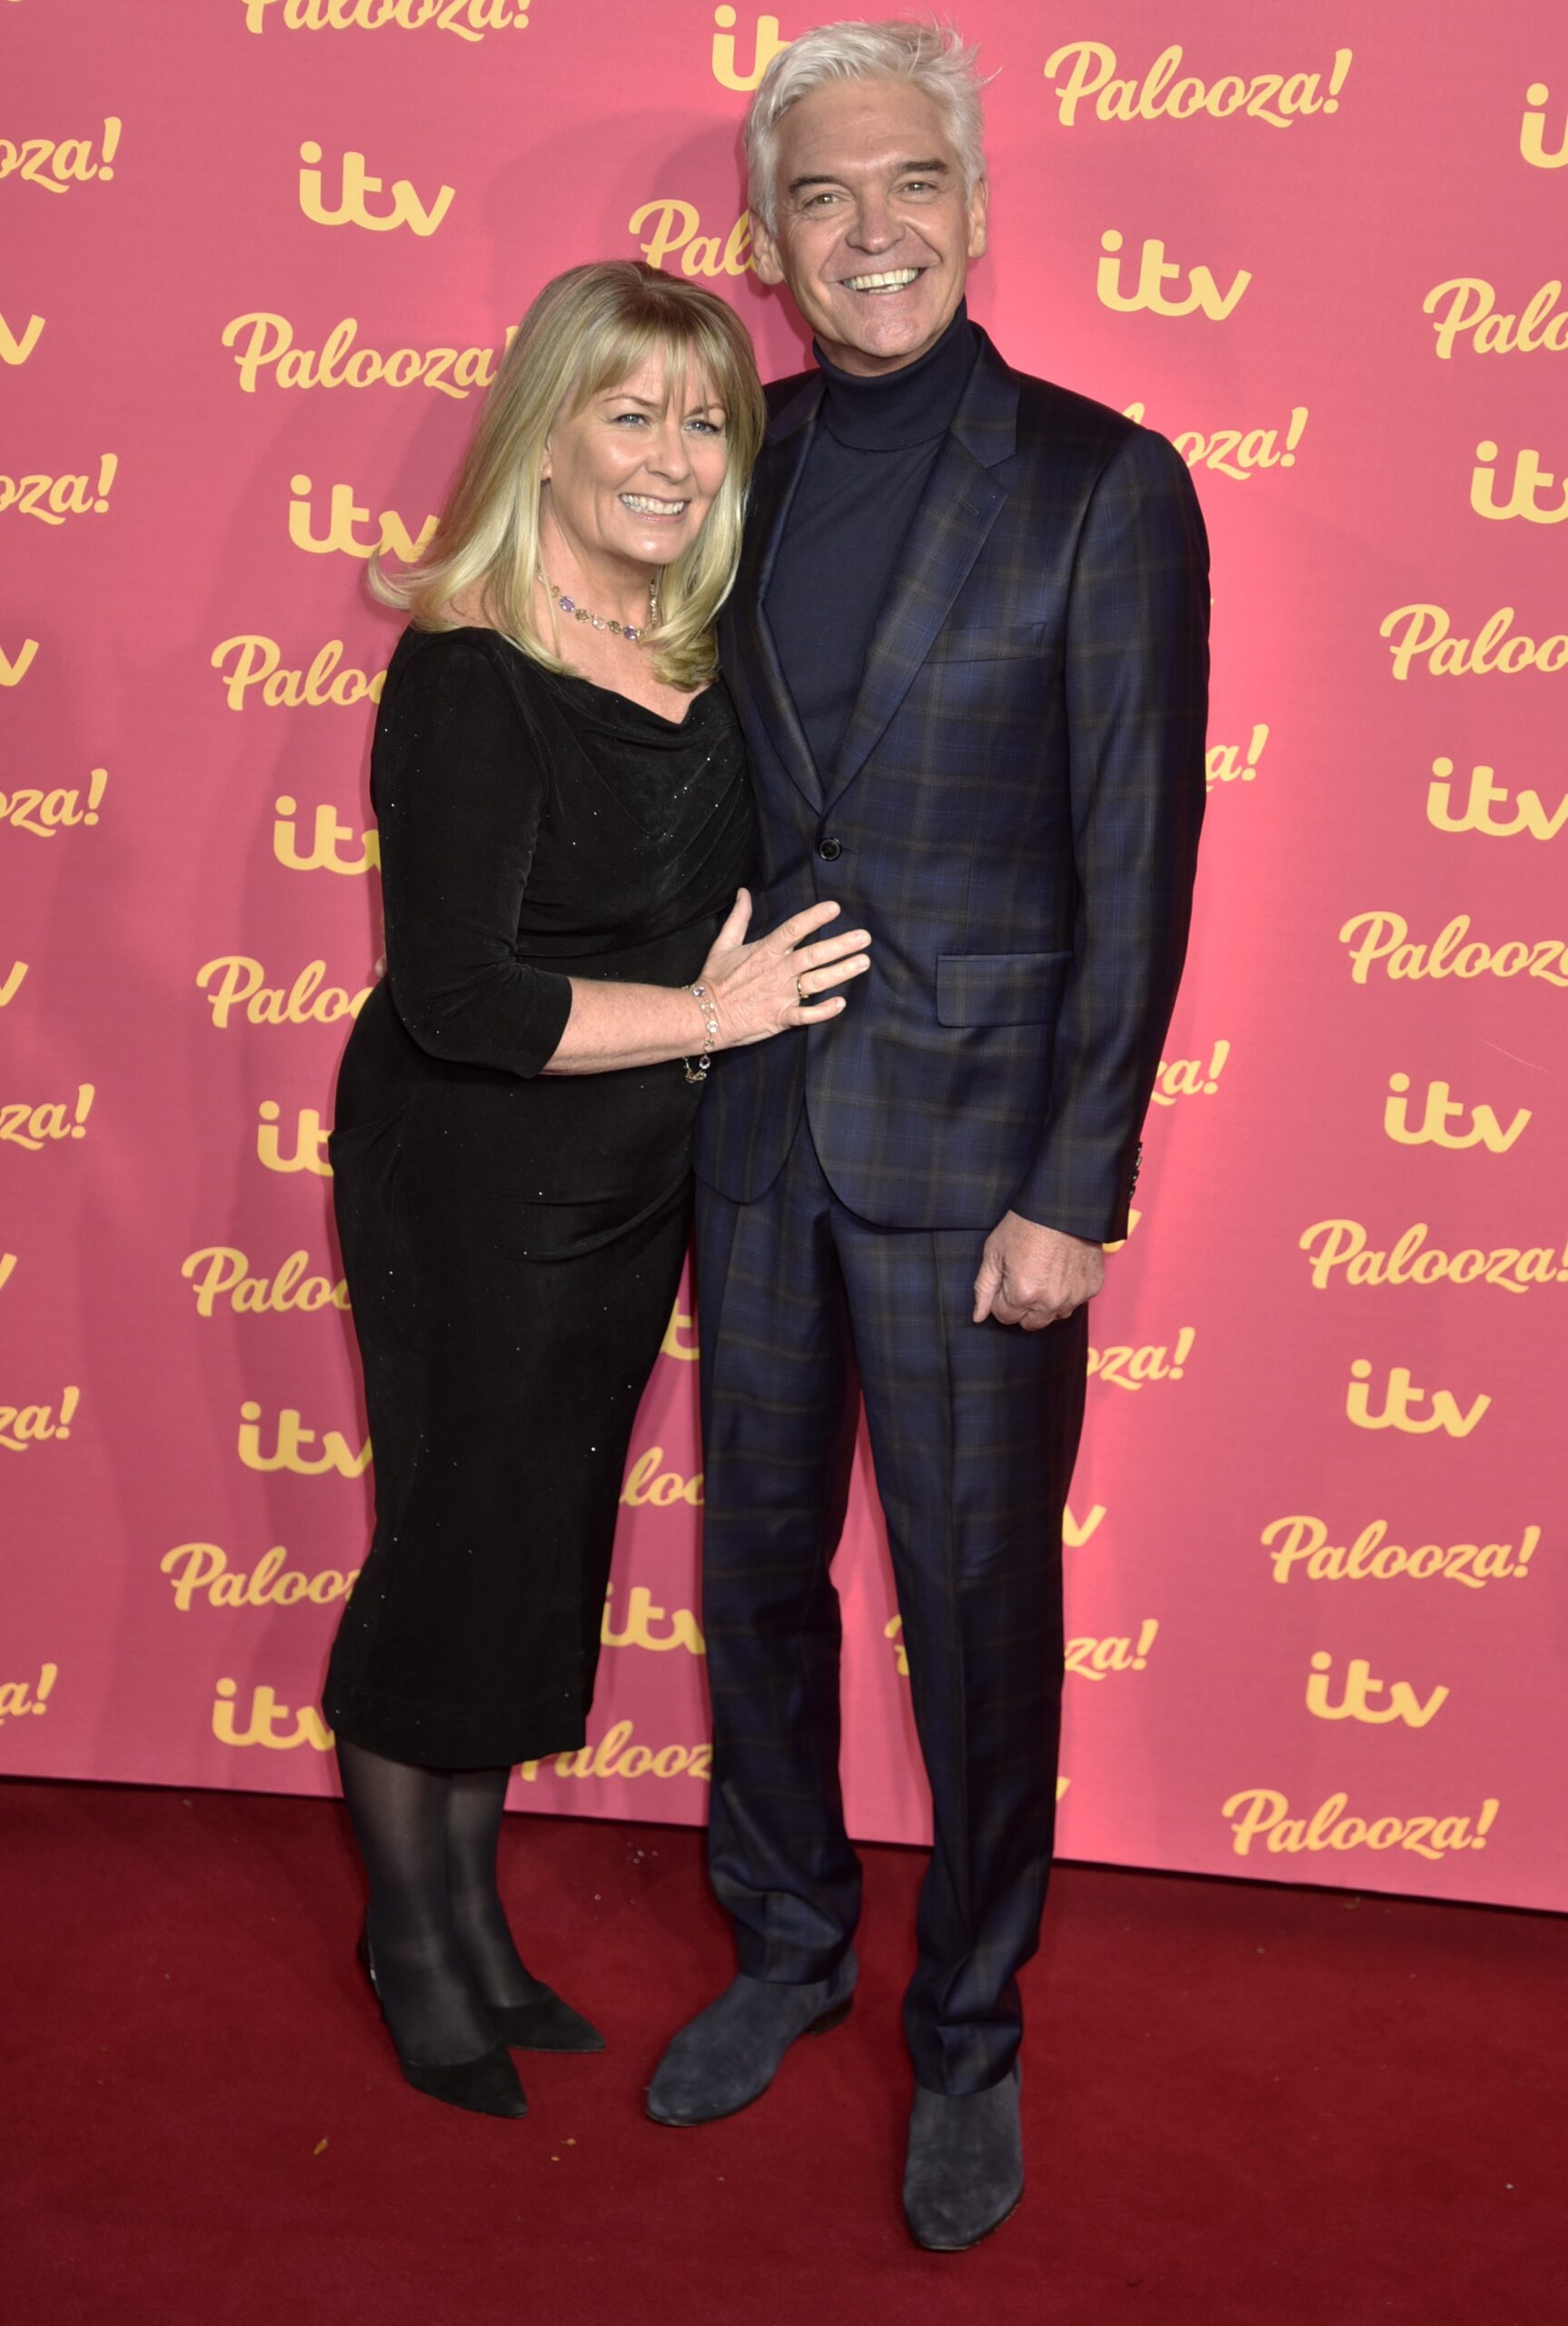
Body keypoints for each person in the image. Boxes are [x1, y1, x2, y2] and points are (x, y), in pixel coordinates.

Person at [646, 24, 1209, 2250]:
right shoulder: (721, 457)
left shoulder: (1100, 482)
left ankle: (965, 2025)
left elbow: (1129, 857)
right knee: (751, 1580)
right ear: (764, 241)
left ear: (972, 215)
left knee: (976, 1615)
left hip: (980, 1170)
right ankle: (786, 1944)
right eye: (819, 197)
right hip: (752, 1133)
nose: (866, 231)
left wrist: (1074, 1191)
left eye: (905, 189)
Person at [322, 261, 872, 2120]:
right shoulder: (472, 666)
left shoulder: (708, 655)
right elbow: (457, 994)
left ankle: (469, 1930)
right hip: (468, 1178)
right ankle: (412, 1939)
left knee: (535, 1549)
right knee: (458, 1547)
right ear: (543, 429)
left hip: (629, 1176)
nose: (668, 451)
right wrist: (710, 1008)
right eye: (626, 410)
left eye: (703, 417)